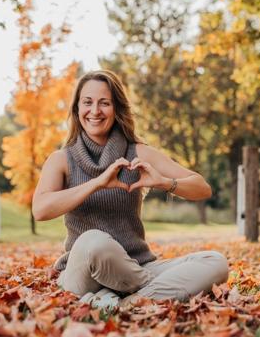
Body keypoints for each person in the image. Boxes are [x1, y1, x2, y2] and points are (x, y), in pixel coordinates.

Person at [32, 70, 229, 309]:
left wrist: (164, 183)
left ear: (116, 109)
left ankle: (127, 302)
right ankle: (145, 291)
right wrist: (97, 183)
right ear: (76, 109)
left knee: (215, 262)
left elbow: (202, 188)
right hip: (84, 272)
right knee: (93, 241)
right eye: (87, 102)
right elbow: (40, 210)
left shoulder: (138, 153)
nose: (95, 111)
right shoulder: (62, 159)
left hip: (137, 265)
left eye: (104, 103)